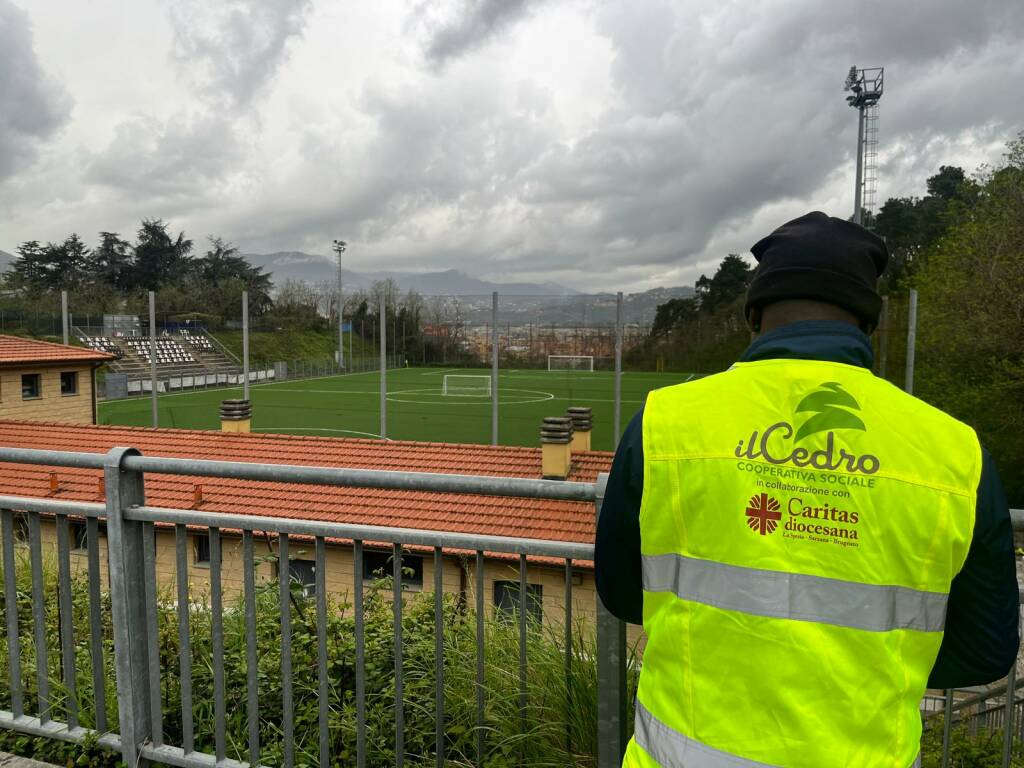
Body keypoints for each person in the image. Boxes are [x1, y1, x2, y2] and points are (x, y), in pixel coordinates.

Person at [596, 211, 1019, 767]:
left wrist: (735, 642)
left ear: (753, 315)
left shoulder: (665, 423)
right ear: (869, 323)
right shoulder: (954, 452)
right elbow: (985, 649)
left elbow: (624, 591)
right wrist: (871, 658)